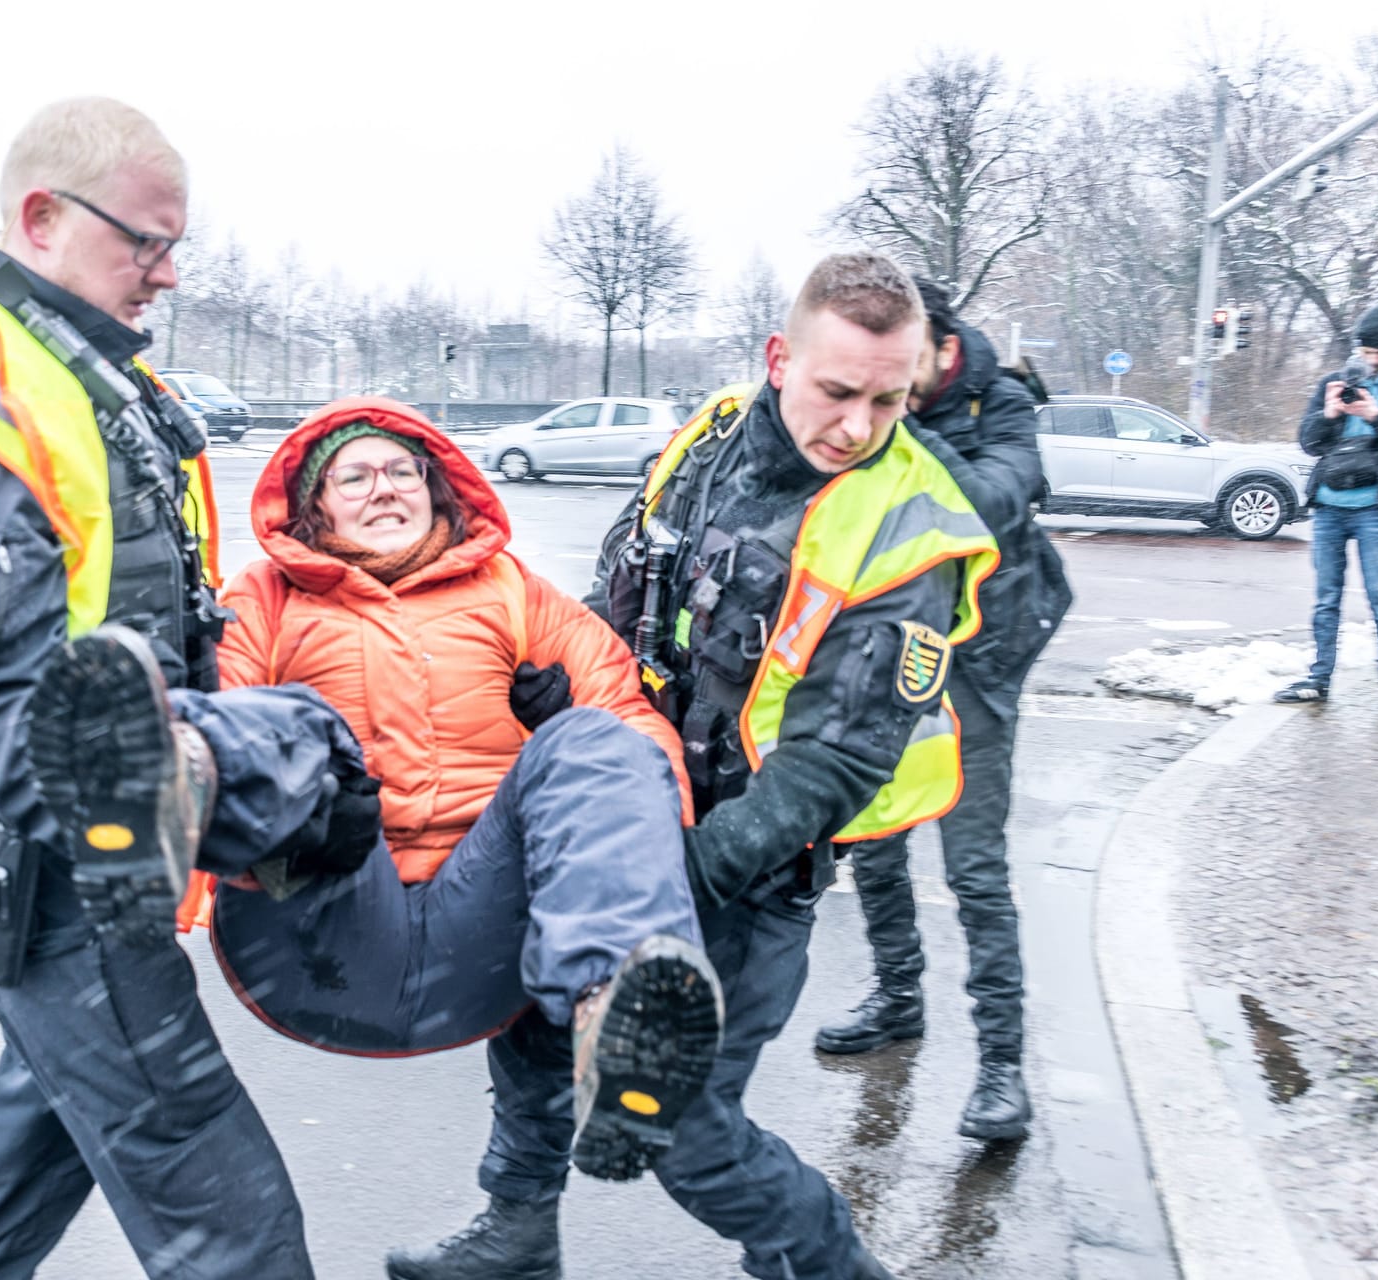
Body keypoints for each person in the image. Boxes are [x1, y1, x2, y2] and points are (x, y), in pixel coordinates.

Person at [0, 97, 374, 1279]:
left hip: (77, 831)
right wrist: (181, 802)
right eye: (144, 242)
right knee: (232, 1221)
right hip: (51, 852)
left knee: (48, 1134)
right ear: (42, 217)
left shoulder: (82, 371)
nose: (165, 274)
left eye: (175, 247)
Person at [393, 252, 994, 1280]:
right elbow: (626, 581)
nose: (858, 426)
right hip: (630, 817)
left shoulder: (908, 525)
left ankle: (826, 1264)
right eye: (837, 391)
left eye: (888, 400)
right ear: (777, 359)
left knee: (686, 1127)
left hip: (747, 872)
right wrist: (564, 693)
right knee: (536, 1029)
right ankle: (517, 1231)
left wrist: (673, 872)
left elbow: (835, 767)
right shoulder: (710, 435)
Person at [189, 396, 724, 1183]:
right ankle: (139, 777)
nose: (385, 489)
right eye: (355, 476)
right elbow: (228, 712)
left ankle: (619, 1028)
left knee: (596, 736)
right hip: (314, 924)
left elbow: (631, 726)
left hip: (491, 928)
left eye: (404, 471)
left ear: (436, 489)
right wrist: (302, 807)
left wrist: (572, 748)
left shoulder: (515, 592)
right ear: (314, 506)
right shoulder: (265, 596)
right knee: (296, 721)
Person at [813, 276, 1073, 1143]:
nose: (878, 394)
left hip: (982, 657)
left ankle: (1001, 1067)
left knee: (973, 867)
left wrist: (903, 429)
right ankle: (897, 997)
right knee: (875, 840)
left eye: (897, 373)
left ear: (939, 341)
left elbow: (993, 504)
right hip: (887, 654)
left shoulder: (999, 401)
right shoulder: (875, 404)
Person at [1275, 302, 1378, 717]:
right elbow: (1308, 441)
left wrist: (1376, 415)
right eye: (1365, 351)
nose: (1370, 359)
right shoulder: (1336, 380)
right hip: (1329, 507)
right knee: (1326, 598)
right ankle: (1319, 679)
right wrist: (1329, 413)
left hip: (1375, 509)